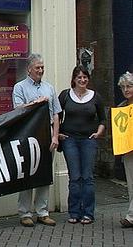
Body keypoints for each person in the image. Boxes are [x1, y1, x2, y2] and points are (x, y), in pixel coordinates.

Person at [12, 53, 61, 227]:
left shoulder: (49, 88)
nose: (40, 70)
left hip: (46, 133)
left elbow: (55, 114)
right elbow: (17, 110)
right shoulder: (20, 87)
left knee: (44, 173)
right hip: (27, 134)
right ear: (29, 69)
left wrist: (55, 135)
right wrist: (36, 103)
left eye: (42, 67)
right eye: (37, 68)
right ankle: (25, 213)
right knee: (27, 172)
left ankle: (42, 212)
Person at [57, 65, 106, 225]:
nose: (82, 80)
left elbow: (102, 119)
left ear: (88, 79)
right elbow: (56, 116)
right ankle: (74, 212)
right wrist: (57, 134)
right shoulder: (65, 95)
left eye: (85, 77)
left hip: (88, 141)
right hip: (69, 140)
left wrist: (99, 132)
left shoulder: (95, 97)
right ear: (74, 79)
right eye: (79, 77)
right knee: (75, 177)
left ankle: (88, 213)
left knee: (88, 177)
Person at [117, 71, 133, 228]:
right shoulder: (121, 107)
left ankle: (130, 216)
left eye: (129, 86)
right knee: (131, 183)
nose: (126, 90)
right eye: (123, 87)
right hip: (129, 150)